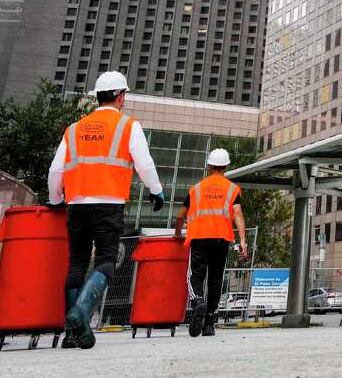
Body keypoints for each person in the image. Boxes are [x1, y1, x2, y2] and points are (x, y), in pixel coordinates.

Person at [47, 71, 165, 349]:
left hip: (76, 204)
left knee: (76, 263)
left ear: (97, 97)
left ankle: (71, 333)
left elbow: (56, 170)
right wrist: (156, 190)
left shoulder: (74, 129)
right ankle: (80, 313)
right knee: (106, 261)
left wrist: (55, 200)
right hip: (109, 204)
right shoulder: (128, 126)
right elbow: (144, 164)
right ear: (121, 96)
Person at [174, 147, 248, 337]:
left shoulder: (196, 189)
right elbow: (238, 213)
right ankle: (209, 323)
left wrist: (177, 233)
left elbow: (181, 216)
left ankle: (197, 301)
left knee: (194, 276)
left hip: (199, 237)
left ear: (209, 166)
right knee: (216, 279)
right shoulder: (232, 189)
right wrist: (243, 241)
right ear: (226, 166)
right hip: (221, 238)